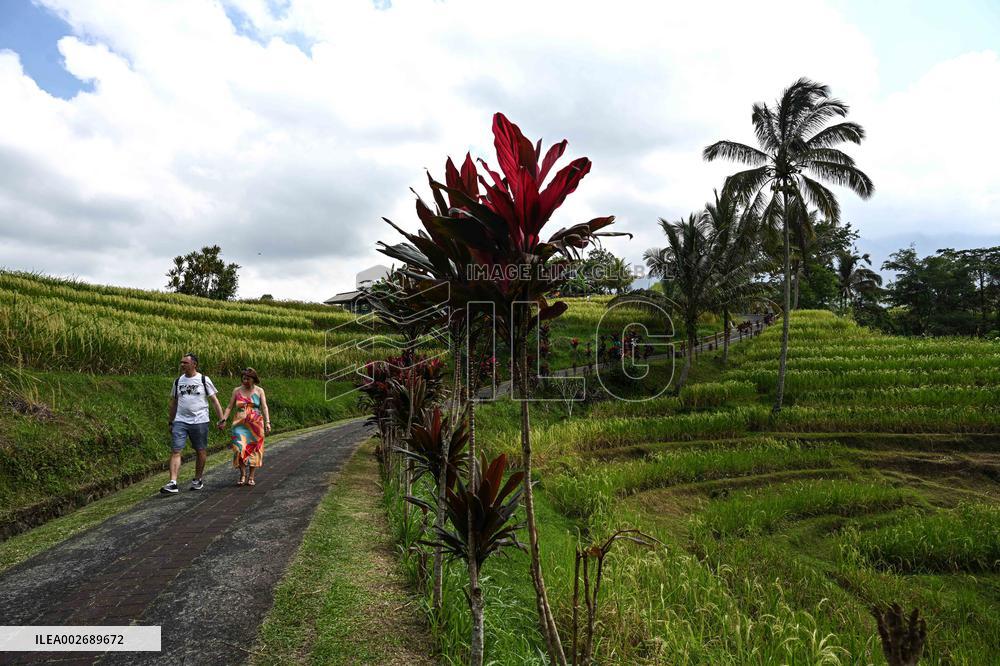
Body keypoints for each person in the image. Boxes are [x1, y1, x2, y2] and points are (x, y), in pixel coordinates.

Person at [163, 353, 225, 494]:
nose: (182, 365)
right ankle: (173, 482)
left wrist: (221, 419)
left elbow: (214, 401)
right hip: (180, 420)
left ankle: (197, 479)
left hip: (200, 421)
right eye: (181, 362)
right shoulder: (178, 381)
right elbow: (174, 402)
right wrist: (171, 421)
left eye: (185, 362)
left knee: (200, 450)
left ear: (194, 364)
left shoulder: (203, 379)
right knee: (176, 450)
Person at [218, 367, 271, 487]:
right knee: (238, 449)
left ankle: (251, 476)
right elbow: (229, 407)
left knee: (254, 449)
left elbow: (264, 407)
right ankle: (242, 474)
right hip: (239, 423)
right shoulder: (237, 390)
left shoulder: (259, 391)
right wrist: (224, 419)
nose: (245, 380)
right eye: (243, 378)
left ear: (253, 379)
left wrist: (268, 422)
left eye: (247, 378)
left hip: (255, 424)